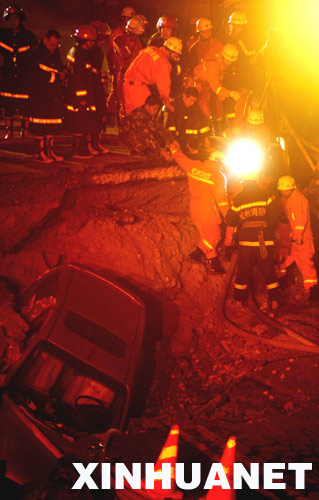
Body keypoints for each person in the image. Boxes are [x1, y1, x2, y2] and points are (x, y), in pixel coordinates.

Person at [225, 168, 280, 310]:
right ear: (256, 180)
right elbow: (274, 217)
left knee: (243, 270)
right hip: (264, 238)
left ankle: (239, 301)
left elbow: (230, 220)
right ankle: (274, 300)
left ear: (244, 182)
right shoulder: (267, 195)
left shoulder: (238, 199)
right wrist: (268, 229)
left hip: (246, 241)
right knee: (268, 270)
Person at [168, 142, 228, 273]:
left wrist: (174, 148)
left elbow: (180, 158)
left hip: (194, 209)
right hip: (207, 210)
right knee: (215, 236)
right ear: (219, 162)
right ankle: (196, 254)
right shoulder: (219, 176)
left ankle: (214, 265)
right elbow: (221, 200)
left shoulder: (194, 166)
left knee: (205, 236)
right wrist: (229, 216)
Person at [277, 175, 319, 301]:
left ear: (290, 188)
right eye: (281, 190)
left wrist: (298, 235)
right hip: (295, 238)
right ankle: (281, 282)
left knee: (306, 265)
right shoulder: (290, 199)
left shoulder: (298, 199)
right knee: (286, 260)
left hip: (302, 239)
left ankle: (314, 291)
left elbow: (300, 219)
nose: (282, 192)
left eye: (284, 190)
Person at [28, 29, 66, 163]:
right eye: (52, 44)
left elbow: (59, 66)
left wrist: (63, 72)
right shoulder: (36, 53)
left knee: (51, 125)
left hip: (53, 95)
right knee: (40, 127)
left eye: (56, 45)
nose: (54, 47)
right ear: (45, 40)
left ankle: (50, 151)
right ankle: (40, 153)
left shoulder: (55, 52)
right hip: (40, 97)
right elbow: (34, 75)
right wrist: (56, 77)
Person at [0, 4, 37, 139]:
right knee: (7, 105)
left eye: (16, 18)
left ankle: (24, 131)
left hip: (24, 76)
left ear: (21, 19)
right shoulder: (3, 35)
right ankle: (8, 132)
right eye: (10, 18)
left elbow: (35, 57)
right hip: (8, 75)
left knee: (26, 105)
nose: (13, 21)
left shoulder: (29, 37)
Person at [123, 36, 183, 115]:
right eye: (176, 54)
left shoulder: (151, 49)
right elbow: (164, 88)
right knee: (144, 116)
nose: (176, 57)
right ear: (170, 51)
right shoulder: (164, 63)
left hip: (127, 84)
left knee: (130, 116)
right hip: (138, 89)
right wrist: (169, 105)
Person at [65, 25, 99, 159]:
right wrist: (83, 97)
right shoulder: (78, 54)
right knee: (79, 122)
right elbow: (78, 77)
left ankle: (81, 149)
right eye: (91, 41)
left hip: (81, 94)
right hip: (78, 96)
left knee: (83, 122)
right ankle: (77, 151)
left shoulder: (79, 52)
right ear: (84, 41)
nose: (92, 44)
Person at [193, 43, 241, 132]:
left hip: (205, 86)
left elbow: (218, 85)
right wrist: (230, 93)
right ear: (222, 56)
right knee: (203, 111)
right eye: (227, 60)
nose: (229, 63)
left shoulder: (222, 65)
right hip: (195, 85)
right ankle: (203, 137)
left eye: (231, 61)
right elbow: (215, 86)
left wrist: (223, 95)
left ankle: (215, 131)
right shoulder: (213, 65)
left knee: (217, 109)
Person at [105, 5, 136, 125]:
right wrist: (111, 67)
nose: (127, 21)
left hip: (128, 68)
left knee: (124, 94)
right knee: (116, 93)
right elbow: (109, 52)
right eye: (126, 18)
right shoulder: (117, 32)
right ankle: (110, 118)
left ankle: (119, 118)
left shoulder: (133, 33)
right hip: (118, 67)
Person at [119, 94, 173, 158]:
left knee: (155, 129)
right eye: (154, 109)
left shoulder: (150, 114)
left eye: (157, 109)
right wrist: (164, 153)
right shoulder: (137, 116)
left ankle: (151, 151)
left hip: (141, 137)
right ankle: (139, 151)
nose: (156, 111)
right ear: (147, 106)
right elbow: (147, 135)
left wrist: (173, 141)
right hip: (129, 141)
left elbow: (161, 128)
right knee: (146, 134)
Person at [113, 17, 144, 118]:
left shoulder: (137, 41)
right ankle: (124, 128)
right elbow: (126, 59)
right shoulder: (120, 41)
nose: (136, 37)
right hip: (125, 77)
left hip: (135, 78)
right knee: (125, 106)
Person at [167, 86, 211, 155]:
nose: (192, 103)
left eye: (194, 101)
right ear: (184, 97)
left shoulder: (196, 109)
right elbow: (170, 130)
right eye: (190, 100)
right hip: (178, 146)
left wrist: (206, 137)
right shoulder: (174, 109)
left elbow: (203, 124)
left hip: (193, 147)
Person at [90, 20, 111, 154]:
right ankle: (91, 144)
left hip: (98, 90)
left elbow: (104, 72)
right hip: (93, 90)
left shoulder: (97, 52)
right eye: (101, 38)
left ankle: (96, 143)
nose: (103, 41)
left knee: (100, 118)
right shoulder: (92, 52)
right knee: (92, 118)